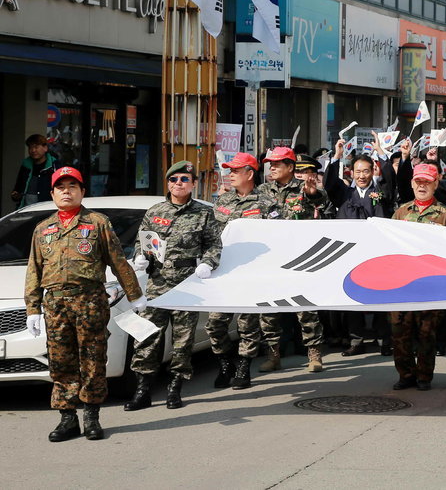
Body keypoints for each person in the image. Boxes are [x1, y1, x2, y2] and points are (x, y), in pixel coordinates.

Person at [24, 166, 146, 442]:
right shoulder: (43, 229)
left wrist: (135, 294)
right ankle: (68, 419)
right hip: (55, 304)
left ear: (82, 191)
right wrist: (32, 308)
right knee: (60, 361)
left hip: (90, 300)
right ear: (53, 193)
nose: (66, 191)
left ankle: (91, 416)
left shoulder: (97, 222)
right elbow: (34, 270)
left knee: (92, 360)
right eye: (61, 187)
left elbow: (117, 261)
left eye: (72, 187)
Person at [125, 161, 221, 411]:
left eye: (184, 179)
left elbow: (214, 245)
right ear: (167, 183)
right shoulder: (155, 210)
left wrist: (208, 264)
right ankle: (143, 389)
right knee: (147, 337)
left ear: (193, 184)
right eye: (174, 179)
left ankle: (174, 388)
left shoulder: (203, 213)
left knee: (182, 340)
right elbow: (142, 241)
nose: (178, 183)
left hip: (187, 284)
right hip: (157, 284)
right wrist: (139, 257)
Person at [207, 152, 279, 390]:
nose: (230, 175)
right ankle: (225, 362)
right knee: (215, 324)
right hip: (224, 272)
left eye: (235, 171)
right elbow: (210, 235)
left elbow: (279, 238)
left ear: (250, 174)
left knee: (247, 324)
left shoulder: (267, 204)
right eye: (230, 171)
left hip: (251, 274)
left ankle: (243, 367)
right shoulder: (222, 202)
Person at [326, 138, 404, 356]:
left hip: (378, 253)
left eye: (366, 171)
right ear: (351, 172)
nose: (362, 176)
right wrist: (336, 157)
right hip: (351, 253)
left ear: (373, 171)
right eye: (358, 171)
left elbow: (391, 179)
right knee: (352, 296)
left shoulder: (381, 192)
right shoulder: (344, 194)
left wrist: (380, 151)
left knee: (381, 296)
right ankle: (356, 340)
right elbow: (329, 184)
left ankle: (383, 339)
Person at [258, 146, 329, 373]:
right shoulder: (262, 191)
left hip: (299, 259)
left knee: (306, 310)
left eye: (278, 164)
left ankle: (314, 354)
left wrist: (312, 194)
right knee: (268, 311)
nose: (273, 167)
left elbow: (321, 202)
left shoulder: (303, 188)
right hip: (270, 260)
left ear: (290, 167)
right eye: (271, 164)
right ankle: (273, 354)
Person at [389, 164, 446, 391]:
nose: (422, 185)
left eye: (427, 181)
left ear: (436, 184)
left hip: (431, 283)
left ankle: (424, 376)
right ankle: (405, 374)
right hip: (403, 284)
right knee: (400, 331)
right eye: (418, 181)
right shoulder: (401, 213)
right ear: (411, 183)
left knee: (427, 332)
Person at [10, 134, 59, 209]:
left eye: (36, 147)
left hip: (47, 209)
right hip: (26, 210)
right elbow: (18, 188)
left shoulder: (54, 165)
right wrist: (16, 195)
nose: (33, 150)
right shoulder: (26, 165)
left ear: (45, 148)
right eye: (30, 147)